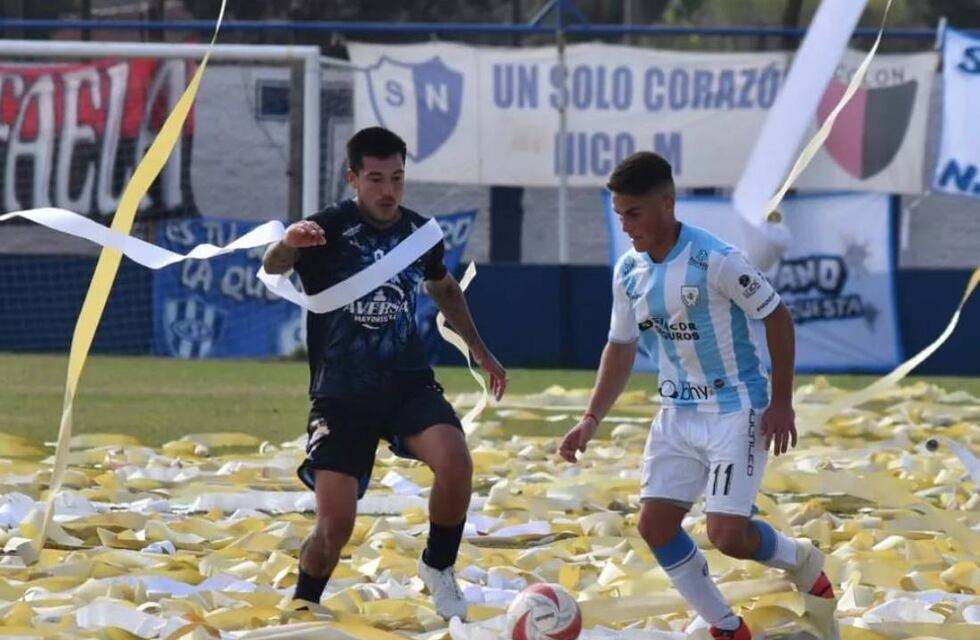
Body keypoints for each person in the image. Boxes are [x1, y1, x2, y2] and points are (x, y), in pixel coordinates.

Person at [558, 152, 837, 640]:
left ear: (667, 204)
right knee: (654, 527)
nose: (625, 225)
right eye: (619, 213)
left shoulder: (717, 260)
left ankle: (801, 558)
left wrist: (782, 401)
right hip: (677, 416)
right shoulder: (628, 271)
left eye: (634, 213)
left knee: (727, 535)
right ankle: (726, 627)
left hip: (736, 410)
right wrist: (590, 419)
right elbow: (620, 348)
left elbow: (777, 317)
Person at [263, 126, 507, 621]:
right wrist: (288, 242)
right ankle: (305, 604)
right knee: (334, 528)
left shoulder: (418, 233)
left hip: (406, 382)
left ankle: (438, 566)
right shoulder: (324, 228)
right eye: (375, 179)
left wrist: (479, 349)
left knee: (457, 463)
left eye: (397, 177)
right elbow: (275, 265)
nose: (388, 190)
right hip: (341, 394)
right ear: (353, 178)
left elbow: (444, 289)